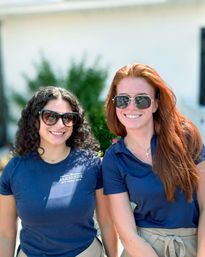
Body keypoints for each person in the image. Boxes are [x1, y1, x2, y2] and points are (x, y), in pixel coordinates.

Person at [0, 86, 118, 257]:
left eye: (68, 118)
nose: (60, 124)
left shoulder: (91, 164)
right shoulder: (14, 170)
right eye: (50, 117)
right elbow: (5, 234)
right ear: (35, 120)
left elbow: (107, 222)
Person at [102, 63, 205, 257]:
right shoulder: (114, 159)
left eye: (141, 100)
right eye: (123, 100)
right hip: (142, 250)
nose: (131, 107)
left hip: (194, 245)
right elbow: (128, 234)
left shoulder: (187, 139)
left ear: (156, 104)